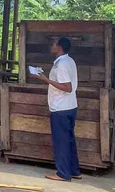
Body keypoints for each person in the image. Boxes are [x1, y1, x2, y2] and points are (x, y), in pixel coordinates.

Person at [34, 37, 81, 182]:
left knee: (61, 141)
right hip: (70, 106)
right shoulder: (69, 61)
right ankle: (73, 170)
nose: (51, 46)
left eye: (53, 44)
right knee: (69, 140)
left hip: (61, 108)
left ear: (59, 47)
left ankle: (63, 173)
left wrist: (44, 79)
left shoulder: (61, 65)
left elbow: (67, 87)